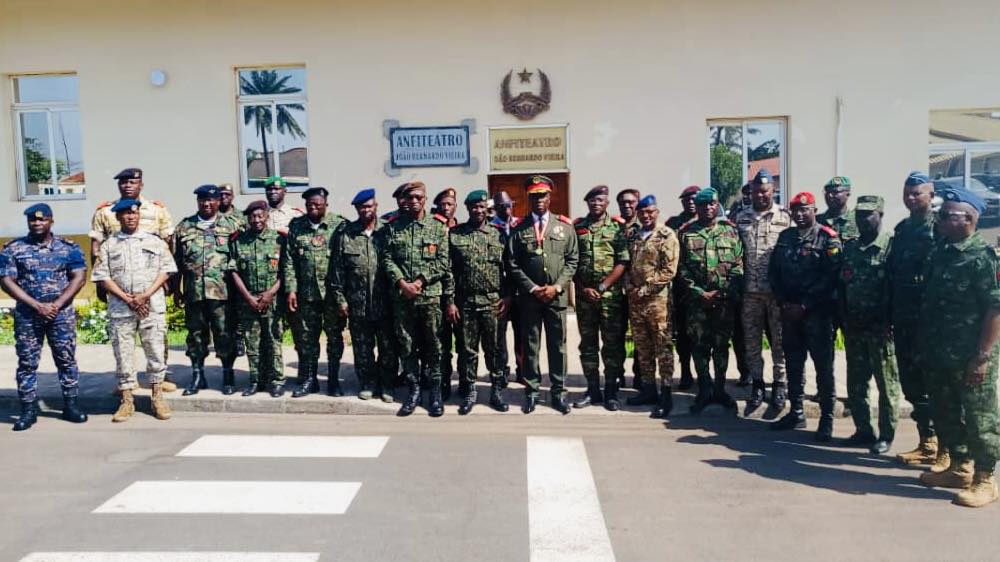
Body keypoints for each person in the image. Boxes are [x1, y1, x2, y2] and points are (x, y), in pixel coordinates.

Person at [916, 186, 1000, 508]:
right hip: (940, 353)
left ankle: (985, 479)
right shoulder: (942, 251)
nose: (938, 220)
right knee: (946, 412)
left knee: (980, 419)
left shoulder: (982, 257)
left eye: (945, 215)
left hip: (971, 355)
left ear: (967, 219)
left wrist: (982, 357)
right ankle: (959, 468)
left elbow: (995, 310)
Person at [89, 167, 178, 392]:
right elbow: (96, 246)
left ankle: (159, 379)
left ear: (141, 184)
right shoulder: (105, 211)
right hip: (119, 283)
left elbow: (168, 243)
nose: (127, 185)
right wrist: (101, 285)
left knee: (156, 335)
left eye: (132, 181)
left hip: (151, 283)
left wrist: (166, 281)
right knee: (123, 340)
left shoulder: (157, 210)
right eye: (123, 182)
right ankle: (127, 384)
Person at [0, 204, 87, 431]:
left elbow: (78, 277)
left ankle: (71, 405)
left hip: (61, 315)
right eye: (32, 220)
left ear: (51, 221)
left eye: (42, 219)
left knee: (66, 360)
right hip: (28, 315)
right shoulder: (14, 249)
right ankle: (28, 410)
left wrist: (56, 305)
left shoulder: (68, 248)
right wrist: (37, 306)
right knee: (27, 363)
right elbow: (7, 281)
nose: (37, 223)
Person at [768, 191, 843, 441]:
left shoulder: (827, 238)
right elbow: (774, 272)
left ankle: (827, 420)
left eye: (805, 210)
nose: (799, 215)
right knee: (793, 365)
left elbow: (831, 278)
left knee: (823, 368)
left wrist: (805, 305)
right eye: (795, 211)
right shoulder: (786, 237)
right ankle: (796, 413)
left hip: (817, 315)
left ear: (814, 211)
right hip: (790, 314)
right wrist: (783, 302)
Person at [506, 175, 579, 414]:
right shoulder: (519, 229)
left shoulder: (565, 226)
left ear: (550, 197)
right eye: (534, 196)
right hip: (530, 299)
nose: (539, 200)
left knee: (558, 346)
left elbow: (572, 260)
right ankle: (532, 391)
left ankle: (559, 392)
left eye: (543, 195)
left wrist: (556, 287)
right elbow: (512, 263)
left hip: (556, 297)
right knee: (531, 345)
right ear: (529, 198)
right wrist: (532, 288)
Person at [382, 181, 453, 417]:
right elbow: (387, 259)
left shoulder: (437, 227)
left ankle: (435, 393)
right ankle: (413, 392)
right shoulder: (394, 227)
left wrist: (420, 282)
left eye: (419, 197)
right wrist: (402, 283)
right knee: (407, 345)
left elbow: (443, 262)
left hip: (430, 298)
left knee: (434, 346)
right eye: (410, 197)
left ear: (425, 199)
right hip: (403, 298)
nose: (414, 201)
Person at [839, 195, 900, 454]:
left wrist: (889, 321)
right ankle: (863, 430)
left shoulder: (891, 247)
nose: (863, 219)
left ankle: (886, 434)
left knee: (886, 384)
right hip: (855, 327)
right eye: (859, 214)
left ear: (880, 215)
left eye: (868, 214)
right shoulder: (850, 248)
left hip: (880, 329)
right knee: (856, 382)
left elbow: (897, 289)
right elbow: (842, 285)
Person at [888, 172, 941, 466]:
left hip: (929, 321)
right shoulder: (903, 229)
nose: (910, 198)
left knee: (935, 384)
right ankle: (927, 441)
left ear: (930, 194)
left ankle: (947, 447)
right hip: (904, 318)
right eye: (907, 193)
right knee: (912, 383)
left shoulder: (940, 228)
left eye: (916, 193)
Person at [678, 187, 744, 413]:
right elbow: (681, 269)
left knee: (721, 347)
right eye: (703, 204)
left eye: (712, 204)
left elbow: (738, 266)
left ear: (717, 205)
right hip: (697, 303)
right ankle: (704, 389)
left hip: (724, 302)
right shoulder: (686, 233)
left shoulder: (731, 232)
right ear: (696, 207)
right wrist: (699, 293)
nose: (707, 208)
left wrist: (724, 292)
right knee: (699, 347)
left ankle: (720, 389)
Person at [448, 189, 511, 414]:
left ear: (487, 209)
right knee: (468, 350)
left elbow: (508, 268)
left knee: (494, 349)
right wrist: (450, 301)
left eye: (482, 207)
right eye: (474, 207)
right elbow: (448, 271)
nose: (478, 210)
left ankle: (496, 390)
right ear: (468, 208)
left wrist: (508, 296)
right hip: (465, 302)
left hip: (493, 302)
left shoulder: (498, 235)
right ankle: (470, 390)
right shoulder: (455, 235)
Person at [174, 184, 240, 395]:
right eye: (202, 200)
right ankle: (197, 376)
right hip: (194, 293)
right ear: (198, 202)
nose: (207, 203)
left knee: (225, 334)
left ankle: (228, 376)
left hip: (223, 294)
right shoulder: (184, 226)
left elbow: (240, 259)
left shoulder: (233, 225)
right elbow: (176, 262)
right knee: (195, 336)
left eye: (211, 199)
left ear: (219, 201)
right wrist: (176, 290)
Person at [331, 188, 396, 402]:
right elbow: (337, 270)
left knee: (388, 347)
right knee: (362, 347)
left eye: (369, 206)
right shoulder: (346, 234)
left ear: (376, 206)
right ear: (357, 209)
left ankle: (387, 385)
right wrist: (340, 299)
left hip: (386, 303)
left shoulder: (387, 231)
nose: (365, 210)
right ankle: (368, 383)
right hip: (357, 303)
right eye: (361, 207)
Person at [735, 170, 791, 417]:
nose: (761, 195)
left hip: (776, 293)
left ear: (773, 192)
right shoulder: (741, 218)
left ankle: (779, 385)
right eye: (757, 191)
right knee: (751, 342)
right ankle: (757, 384)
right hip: (749, 292)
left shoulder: (785, 217)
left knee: (780, 341)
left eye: (765, 191)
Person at [284, 186, 347, 397]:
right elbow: (289, 261)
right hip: (307, 294)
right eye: (309, 204)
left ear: (326, 204)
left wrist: (343, 296)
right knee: (307, 339)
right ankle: (310, 380)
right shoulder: (297, 226)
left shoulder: (339, 225)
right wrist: (291, 290)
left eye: (317, 204)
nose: (313, 208)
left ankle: (333, 380)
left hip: (331, 295)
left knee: (334, 338)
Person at [572, 185, 629, 411]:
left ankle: (611, 391)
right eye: (592, 200)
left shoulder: (617, 228)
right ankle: (593, 390)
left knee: (612, 345)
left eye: (600, 200)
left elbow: (622, 262)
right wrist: (583, 288)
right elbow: (571, 262)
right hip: (585, 298)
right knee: (588, 345)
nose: (596, 203)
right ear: (587, 202)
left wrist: (603, 286)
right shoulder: (577, 228)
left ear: (607, 203)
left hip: (610, 298)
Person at [624, 194, 679, 417]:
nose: (646, 216)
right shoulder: (633, 235)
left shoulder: (667, 235)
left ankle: (666, 394)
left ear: (657, 212)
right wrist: (629, 287)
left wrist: (644, 290)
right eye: (642, 213)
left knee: (662, 347)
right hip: (636, 302)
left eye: (650, 212)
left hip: (658, 303)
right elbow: (626, 265)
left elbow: (669, 271)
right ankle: (648, 390)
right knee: (643, 347)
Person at [230, 200, 285, 397]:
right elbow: (234, 271)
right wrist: (248, 297)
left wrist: (270, 293)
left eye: (260, 216)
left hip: (272, 300)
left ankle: (276, 381)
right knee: (252, 343)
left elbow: (286, 271)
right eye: (252, 216)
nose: (256, 220)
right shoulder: (239, 241)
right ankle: (255, 380)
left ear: (267, 216)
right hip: (248, 301)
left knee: (273, 341)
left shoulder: (279, 240)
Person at [666, 185, 699, 390]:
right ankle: (686, 372)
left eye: (695, 198)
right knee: (683, 334)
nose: (691, 202)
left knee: (704, 335)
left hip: (704, 288)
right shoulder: (673, 224)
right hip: (681, 288)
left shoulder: (710, 222)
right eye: (687, 199)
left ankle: (706, 375)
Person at [491, 191, 523, 386]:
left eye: (509, 205)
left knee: (522, 333)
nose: (507, 209)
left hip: (520, 290)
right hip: (500, 290)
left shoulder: (521, 225)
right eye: (502, 206)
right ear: (495, 209)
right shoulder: (490, 228)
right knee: (499, 335)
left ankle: (523, 370)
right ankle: (502, 371)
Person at [433, 187, 460, 400]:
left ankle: (464, 382)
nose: (446, 208)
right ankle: (443, 382)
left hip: (460, 294)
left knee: (463, 341)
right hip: (439, 293)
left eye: (450, 204)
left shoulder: (459, 227)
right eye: (443, 204)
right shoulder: (434, 228)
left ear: (455, 206)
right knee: (441, 341)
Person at [616, 187, 643, 390]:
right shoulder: (613, 227)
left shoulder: (645, 227)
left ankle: (640, 376)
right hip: (616, 292)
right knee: (616, 336)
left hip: (639, 292)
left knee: (640, 336)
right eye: (623, 203)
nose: (627, 205)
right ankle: (617, 375)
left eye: (631, 202)